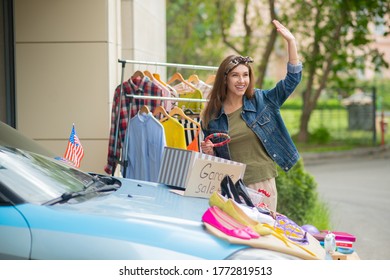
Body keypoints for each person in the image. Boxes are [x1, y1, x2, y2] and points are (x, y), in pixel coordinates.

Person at [200, 20, 302, 212]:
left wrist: (291, 42)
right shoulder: (212, 117)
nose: (242, 81)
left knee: (261, 233)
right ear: (225, 78)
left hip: (261, 184)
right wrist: (209, 151)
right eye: (235, 75)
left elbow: (292, 80)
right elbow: (212, 159)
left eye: (245, 75)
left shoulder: (263, 101)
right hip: (230, 187)